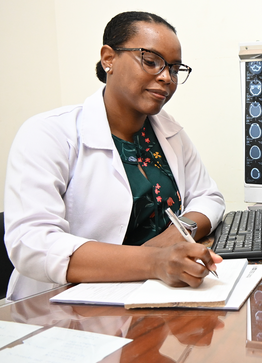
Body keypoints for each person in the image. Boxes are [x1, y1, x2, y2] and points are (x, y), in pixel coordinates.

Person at [4, 11, 225, 301]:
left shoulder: (168, 132)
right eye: (151, 61)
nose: (166, 78)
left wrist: (176, 233)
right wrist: (153, 261)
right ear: (109, 58)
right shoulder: (48, 133)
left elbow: (209, 197)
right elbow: (32, 244)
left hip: (148, 296)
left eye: (173, 68)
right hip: (61, 306)